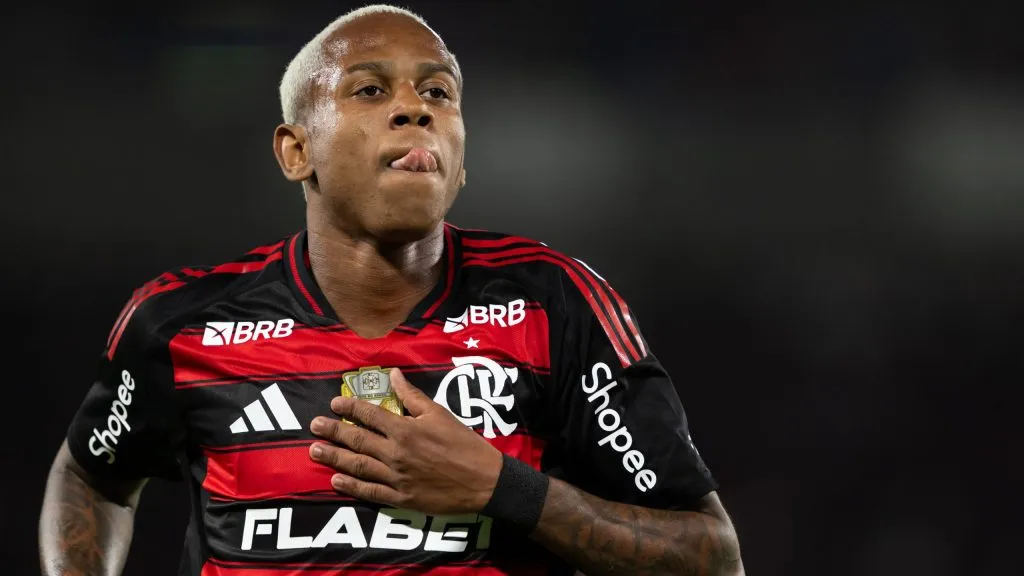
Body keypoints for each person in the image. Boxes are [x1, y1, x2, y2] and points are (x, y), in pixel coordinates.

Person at [39, 4, 744, 575]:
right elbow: (92, 477)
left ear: (460, 158)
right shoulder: (183, 324)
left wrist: (505, 490)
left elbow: (710, 556)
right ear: (296, 151)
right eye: (371, 89)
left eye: (437, 92)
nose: (416, 109)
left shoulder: (553, 303)